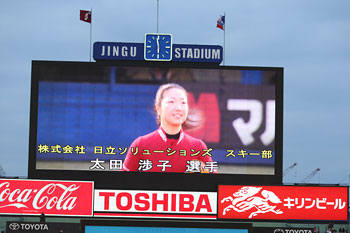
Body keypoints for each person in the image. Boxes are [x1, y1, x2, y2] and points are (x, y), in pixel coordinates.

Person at [122, 83, 216, 173]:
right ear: (158, 108)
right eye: (171, 101)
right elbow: (121, 184)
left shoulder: (198, 147)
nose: (178, 108)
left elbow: (216, 185)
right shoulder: (141, 145)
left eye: (183, 102)